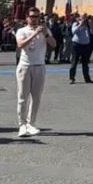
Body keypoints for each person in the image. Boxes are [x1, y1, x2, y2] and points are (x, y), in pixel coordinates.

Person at [15, 8, 56, 137]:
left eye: (37, 16)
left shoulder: (45, 30)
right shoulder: (22, 31)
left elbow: (54, 44)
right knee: (23, 97)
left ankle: (31, 123)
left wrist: (46, 34)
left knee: (36, 97)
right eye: (32, 16)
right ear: (27, 17)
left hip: (39, 66)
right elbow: (21, 45)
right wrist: (34, 34)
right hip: (25, 66)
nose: (34, 19)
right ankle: (22, 124)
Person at [69, 14, 93, 84]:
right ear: (79, 18)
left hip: (86, 45)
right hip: (77, 45)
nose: (84, 19)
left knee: (85, 63)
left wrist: (91, 25)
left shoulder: (88, 25)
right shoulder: (75, 24)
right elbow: (73, 32)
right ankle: (72, 78)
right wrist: (80, 25)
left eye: (85, 18)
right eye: (82, 17)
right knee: (74, 62)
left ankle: (87, 79)